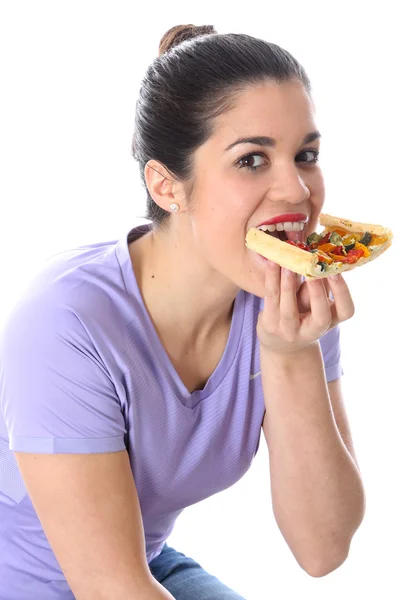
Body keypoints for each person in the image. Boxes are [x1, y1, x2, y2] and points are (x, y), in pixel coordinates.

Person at [0, 23, 366, 600]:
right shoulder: (65, 321)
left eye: (306, 155)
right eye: (252, 160)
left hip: (145, 562)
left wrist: (291, 355)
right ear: (168, 186)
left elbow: (323, 548)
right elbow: (110, 587)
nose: (297, 191)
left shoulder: (290, 305)